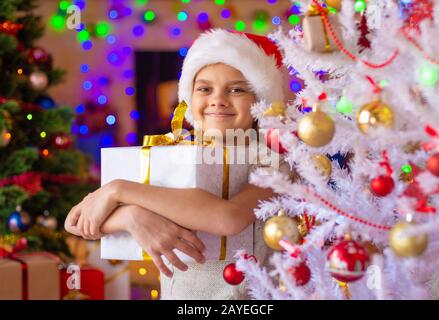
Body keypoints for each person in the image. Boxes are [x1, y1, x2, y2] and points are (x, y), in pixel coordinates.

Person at [65, 28, 287, 299]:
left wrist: (118, 191)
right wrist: (132, 217)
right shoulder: (169, 154)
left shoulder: (272, 160)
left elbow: (228, 218)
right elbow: (75, 222)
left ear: (259, 101)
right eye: (204, 88)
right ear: (189, 99)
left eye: (237, 89)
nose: (217, 99)